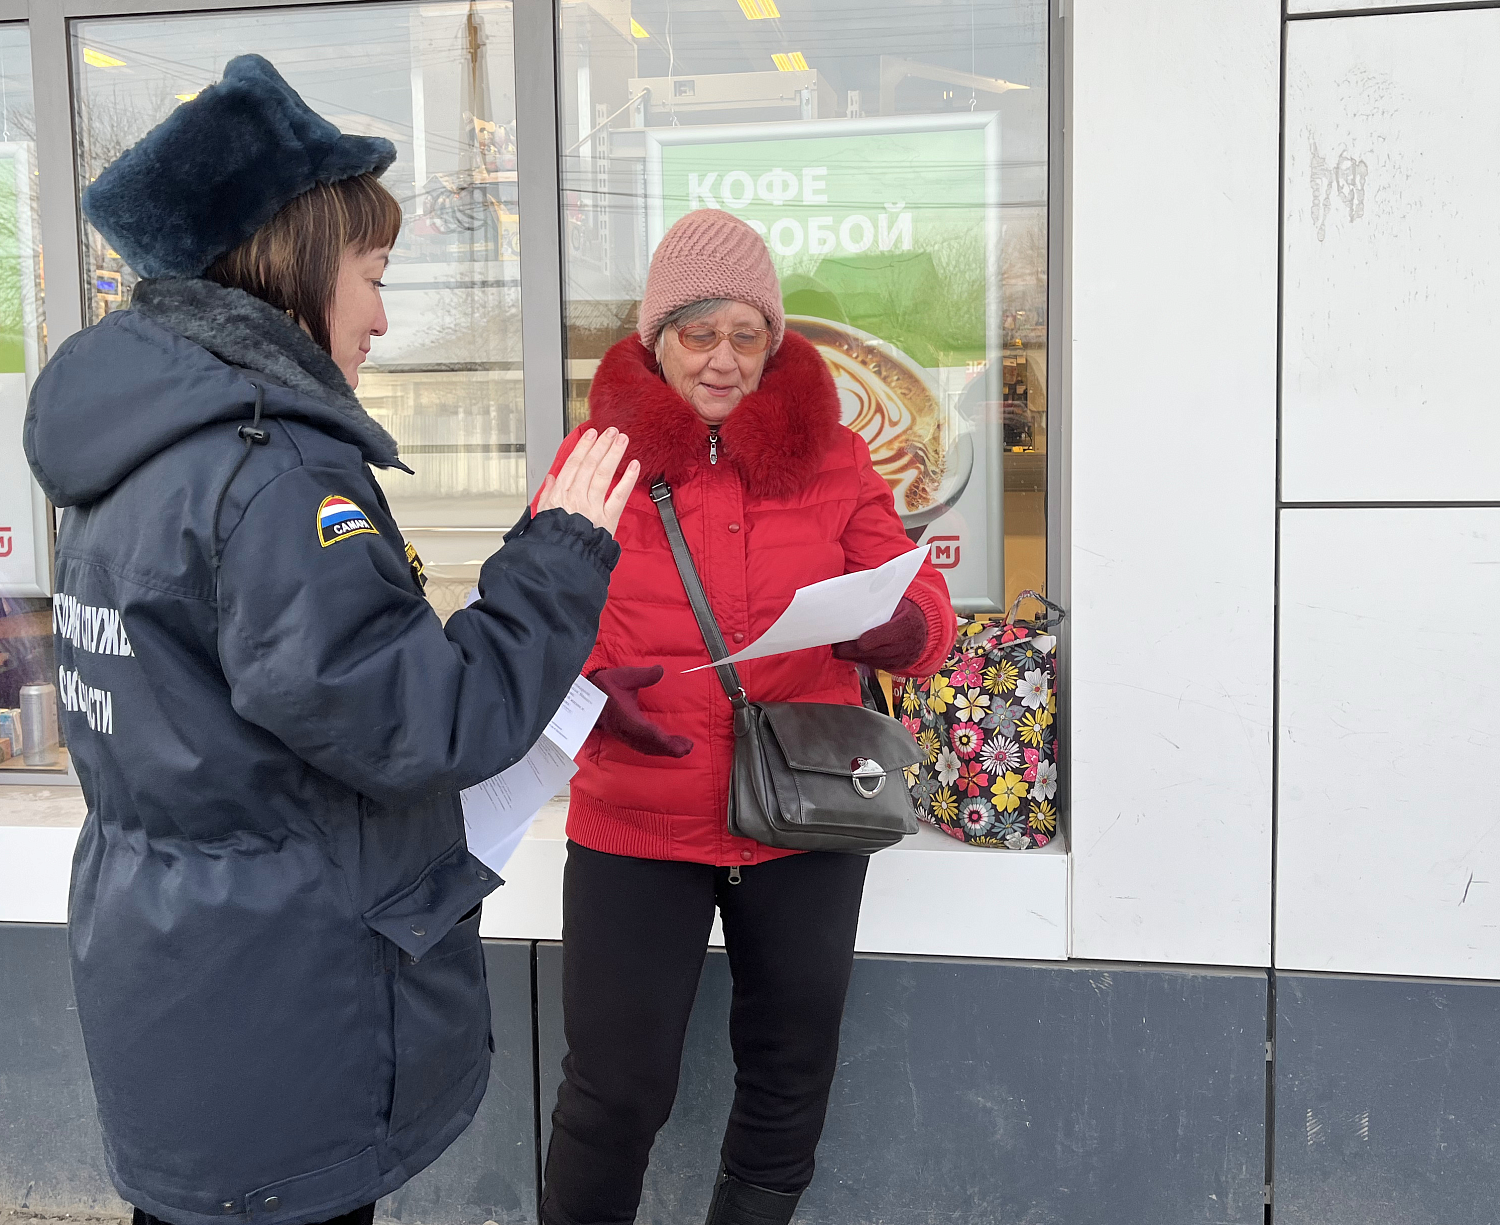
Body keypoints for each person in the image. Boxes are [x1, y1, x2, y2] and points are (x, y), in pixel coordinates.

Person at [24, 56, 636, 1225]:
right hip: (282, 1017)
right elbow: (418, 723)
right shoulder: (272, 472)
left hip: (182, 993)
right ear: (297, 259)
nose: (382, 315)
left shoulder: (137, 455)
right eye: (373, 273)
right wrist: (559, 559)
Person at [537, 209, 957, 1225]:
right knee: (614, 1092)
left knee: (787, 1082)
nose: (723, 360)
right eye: (698, 333)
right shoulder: (596, 461)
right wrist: (590, 692)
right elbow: (531, 618)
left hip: (806, 813)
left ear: (775, 341)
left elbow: (922, 606)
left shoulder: (836, 455)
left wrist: (897, 628)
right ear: (655, 338)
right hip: (639, 817)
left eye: (746, 335)